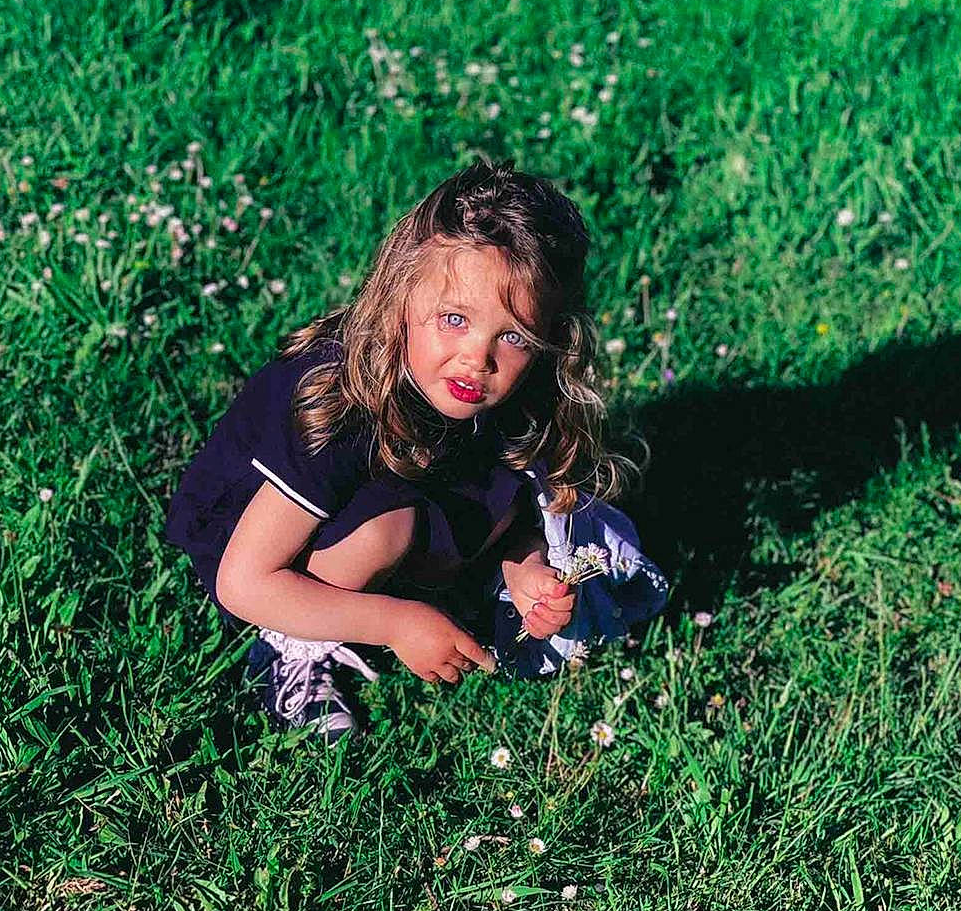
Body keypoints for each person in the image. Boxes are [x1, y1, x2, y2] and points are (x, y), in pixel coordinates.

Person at [165, 158, 668, 745]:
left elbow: (512, 517)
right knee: (385, 535)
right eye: (454, 319)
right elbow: (245, 582)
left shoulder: (515, 394)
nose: (477, 360)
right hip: (258, 549)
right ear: (401, 295)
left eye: (512, 337)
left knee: (496, 494)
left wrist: (527, 566)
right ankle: (291, 652)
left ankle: (428, 585)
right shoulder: (338, 401)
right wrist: (397, 623)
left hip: (403, 490)